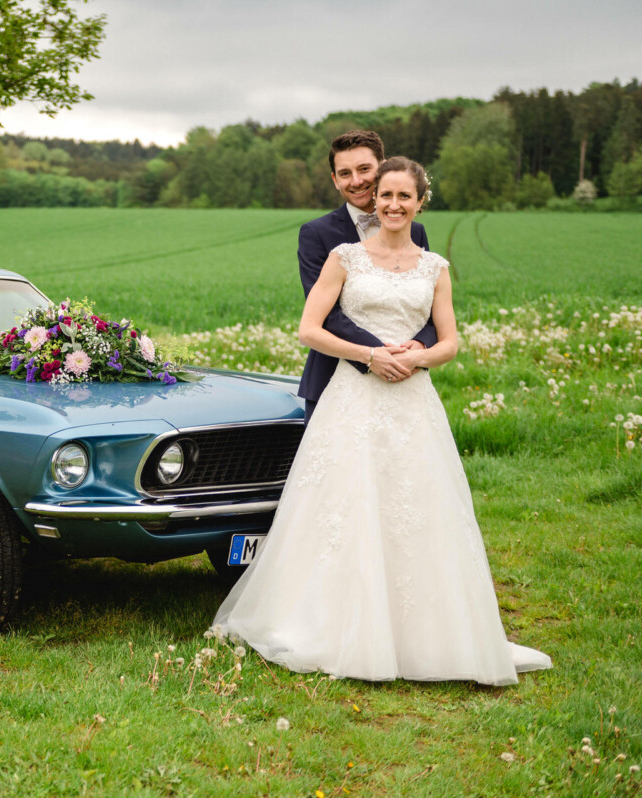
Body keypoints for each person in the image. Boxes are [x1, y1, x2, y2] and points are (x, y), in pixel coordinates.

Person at [212, 157, 551, 686]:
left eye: (404, 197)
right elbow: (310, 328)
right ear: (375, 199)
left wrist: (416, 358)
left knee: (415, 506)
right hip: (353, 395)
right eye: (385, 195)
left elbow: (450, 341)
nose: (393, 204)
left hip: (412, 399)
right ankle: (334, 623)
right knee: (346, 504)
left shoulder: (434, 266)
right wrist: (370, 357)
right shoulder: (344, 257)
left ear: (420, 203)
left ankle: (425, 631)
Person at [297, 131, 434, 424]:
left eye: (364, 169)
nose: (356, 181)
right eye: (345, 173)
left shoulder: (417, 232)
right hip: (334, 378)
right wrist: (375, 353)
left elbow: (427, 302)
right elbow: (326, 315)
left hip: (404, 377)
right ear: (335, 180)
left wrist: (420, 346)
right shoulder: (316, 234)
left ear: (382, 168)